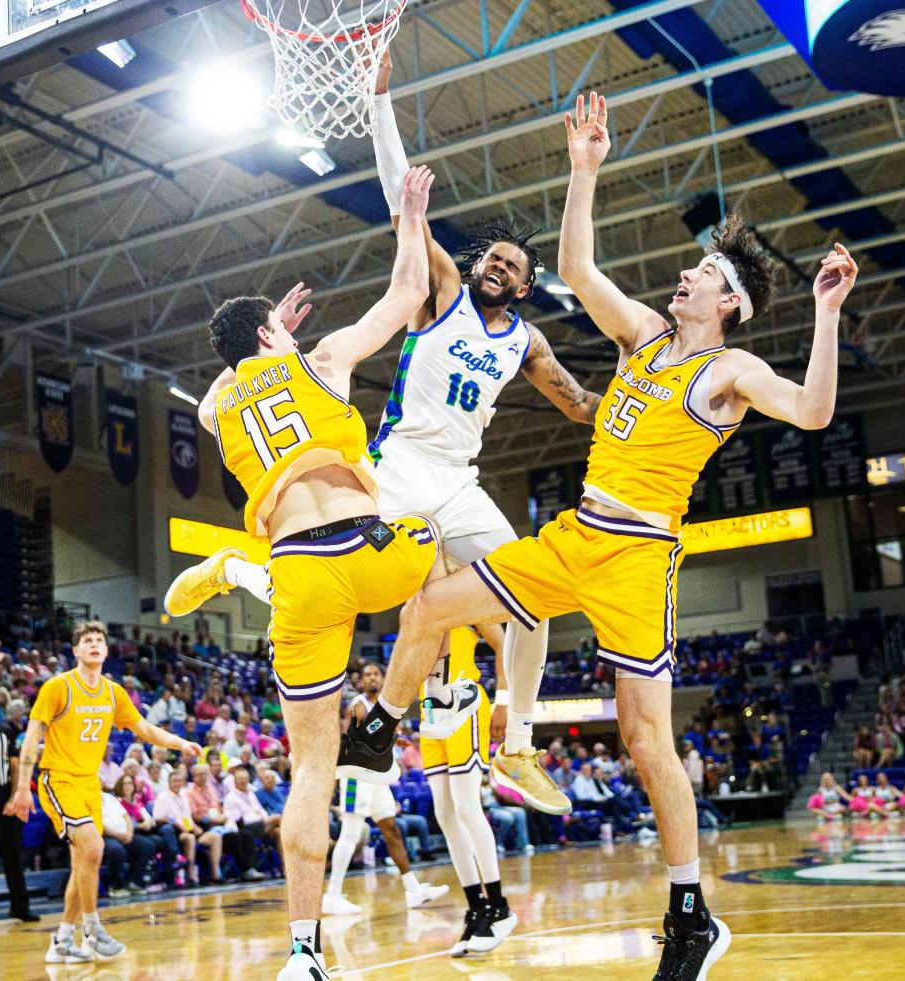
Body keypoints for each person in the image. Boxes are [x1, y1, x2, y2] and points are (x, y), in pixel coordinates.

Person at [340, 90, 858, 981]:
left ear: (726, 301)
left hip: (639, 558)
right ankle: (385, 722)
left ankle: (691, 912)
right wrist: (585, 169)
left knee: (645, 740)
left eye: (701, 273)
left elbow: (813, 412)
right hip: (575, 534)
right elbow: (577, 266)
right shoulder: (646, 336)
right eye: (692, 269)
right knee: (429, 605)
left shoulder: (730, 367)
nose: (685, 275)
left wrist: (826, 314)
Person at [166, 45, 601, 809]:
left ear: (529, 285)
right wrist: (378, 101)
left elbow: (581, 406)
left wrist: (652, 391)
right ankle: (401, 694)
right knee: (368, 587)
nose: (496, 266)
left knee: (531, 593)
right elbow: (406, 195)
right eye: (489, 257)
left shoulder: (528, 342)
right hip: (394, 468)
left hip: (460, 483)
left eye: (510, 264)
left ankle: (520, 743)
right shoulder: (442, 292)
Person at [164, 166, 475, 981]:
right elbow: (410, 292)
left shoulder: (223, 404)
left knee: (307, 770)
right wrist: (411, 216)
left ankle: (302, 956)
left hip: (299, 575)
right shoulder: (325, 359)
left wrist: (256, 345)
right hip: (367, 549)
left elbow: (216, 395)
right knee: (444, 545)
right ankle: (392, 716)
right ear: (275, 336)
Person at [11, 621, 200, 962]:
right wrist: (23, 787)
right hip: (59, 780)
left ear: (107, 650)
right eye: (87, 640)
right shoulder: (58, 687)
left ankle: (62, 942)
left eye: (99, 639)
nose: (95, 644)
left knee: (86, 860)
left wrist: (180, 742)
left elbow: (144, 728)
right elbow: (32, 738)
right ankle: (92, 928)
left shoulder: (113, 692)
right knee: (94, 847)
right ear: (76, 650)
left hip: (89, 784)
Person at [419, 618, 517, 956]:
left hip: (465, 705)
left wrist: (503, 700)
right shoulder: (413, 598)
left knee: (465, 807)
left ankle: (500, 906)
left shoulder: (465, 585)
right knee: (444, 815)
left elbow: (505, 644)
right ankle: (476, 908)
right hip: (430, 711)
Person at [325, 662, 448, 915]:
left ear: (383, 679)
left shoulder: (386, 708)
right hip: (356, 775)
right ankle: (333, 895)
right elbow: (361, 737)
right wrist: (391, 733)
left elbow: (381, 737)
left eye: (375, 674)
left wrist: (395, 737)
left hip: (377, 777)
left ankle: (413, 889)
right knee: (350, 832)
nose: (371, 678)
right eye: (367, 675)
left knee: (391, 828)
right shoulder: (358, 705)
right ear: (362, 682)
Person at [0, 687, 38, 925]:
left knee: (13, 857)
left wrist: (13, 797)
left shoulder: (4, 731)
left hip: (5, 797)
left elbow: (15, 767)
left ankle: (20, 908)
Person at [186, 763, 265, 882]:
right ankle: (245, 869)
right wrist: (209, 819)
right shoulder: (189, 793)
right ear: (193, 776)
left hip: (220, 824)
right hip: (205, 827)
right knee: (234, 837)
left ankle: (251, 868)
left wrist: (222, 817)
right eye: (199, 775)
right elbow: (194, 816)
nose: (202, 777)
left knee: (246, 835)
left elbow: (219, 809)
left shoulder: (211, 790)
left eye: (204, 774)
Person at [153, 767, 223, 887]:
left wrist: (194, 825)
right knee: (189, 838)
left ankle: (215, 874)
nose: (177, 783)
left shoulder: (184, 795)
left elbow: (187, 816)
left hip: (188, 829)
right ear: (169, 782)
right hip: (173, 833)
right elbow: (158, 818)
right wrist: (177, 823)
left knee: (215, 837)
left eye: (179, 781)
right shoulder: (163, 796)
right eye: (174, 781)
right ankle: (190, 876)